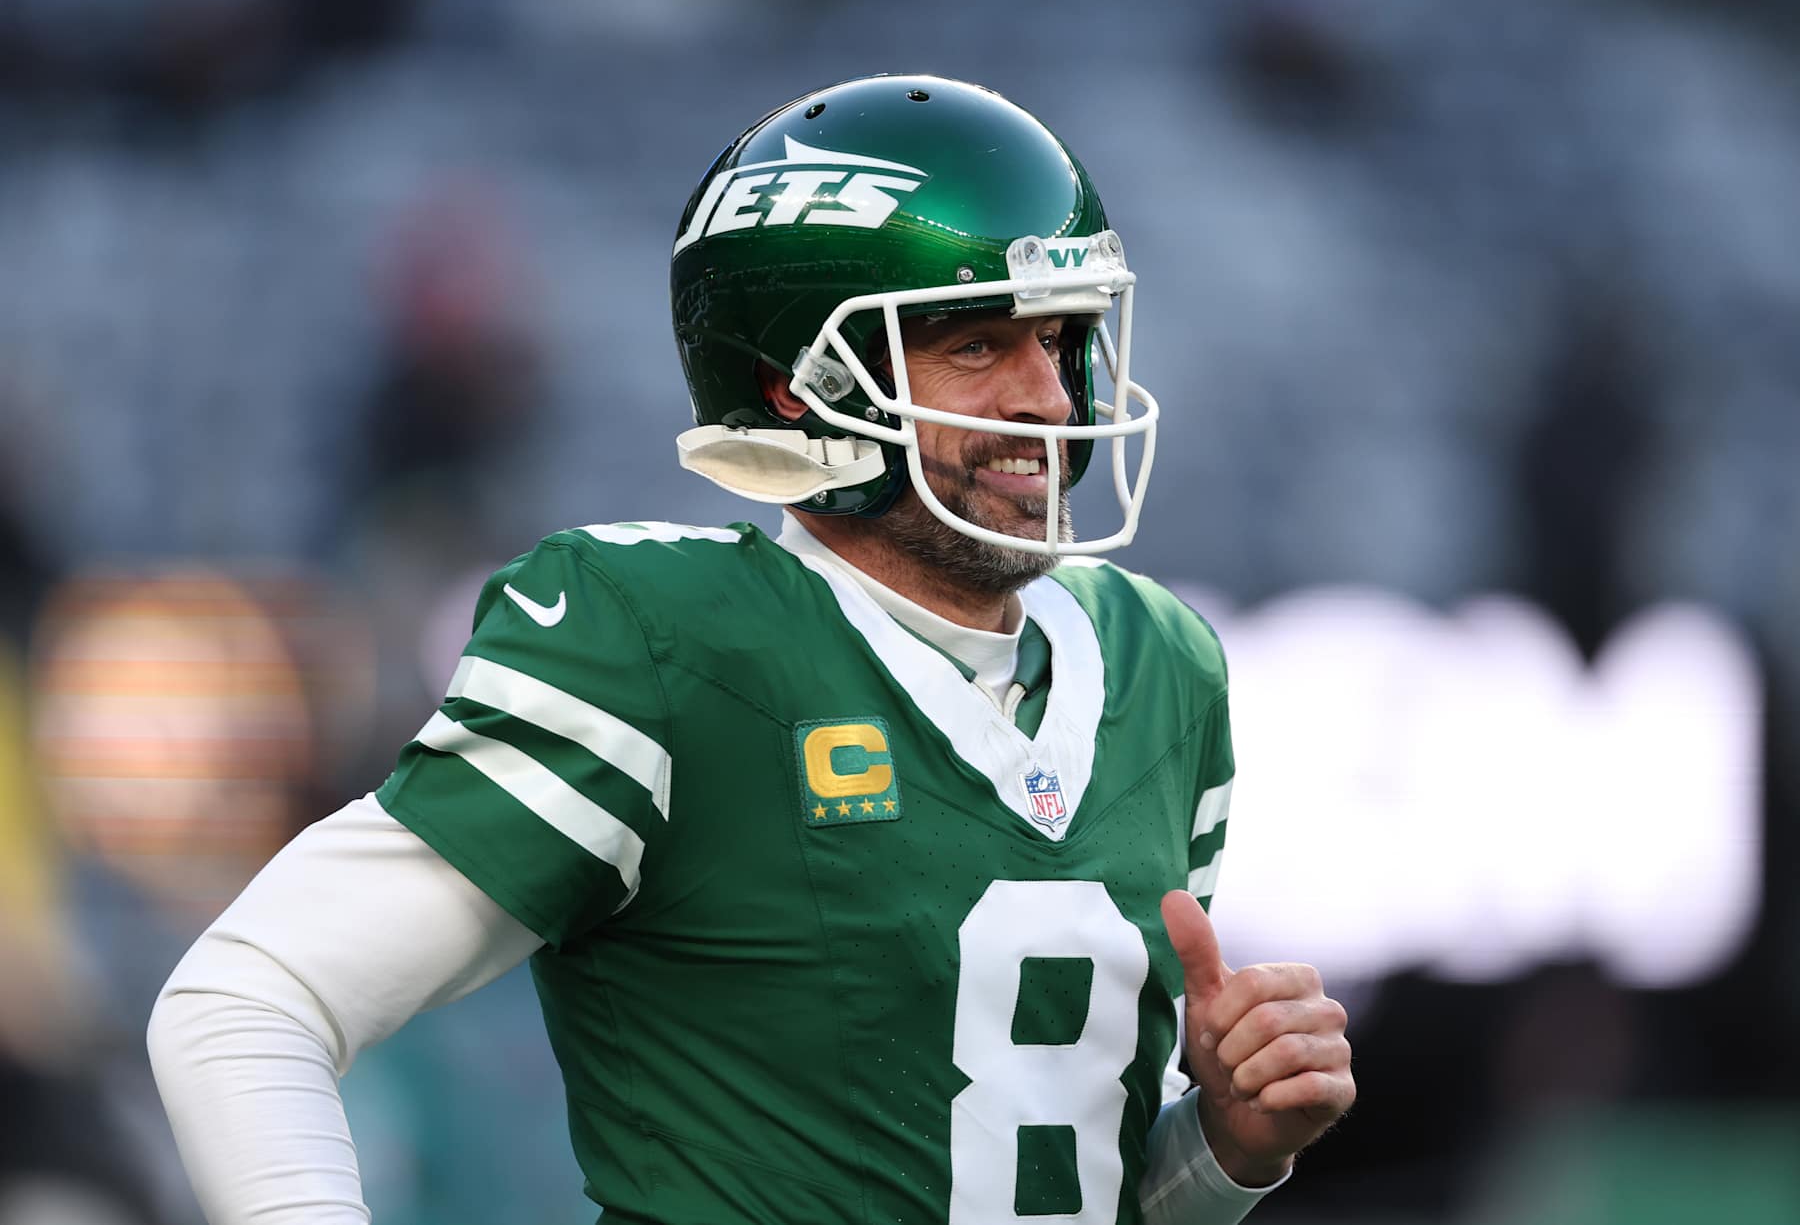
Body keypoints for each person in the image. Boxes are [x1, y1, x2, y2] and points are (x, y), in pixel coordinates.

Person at [147, 74, 1354, 1224]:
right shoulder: (662, 643)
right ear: (795, 386)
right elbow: (247, 1002)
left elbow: (1047, 1187)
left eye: (1062, 336)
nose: (1047, 397)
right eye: (978, 345)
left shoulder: (1163, 667)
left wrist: (1231, 1146)